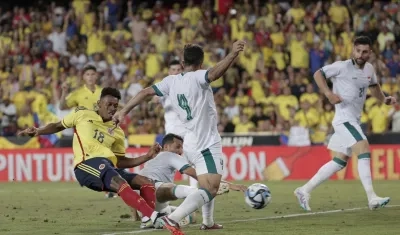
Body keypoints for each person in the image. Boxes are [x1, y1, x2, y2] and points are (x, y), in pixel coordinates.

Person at [113, 41, 246, 234]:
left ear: (182, 64)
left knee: (205, 184)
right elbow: (215, 73)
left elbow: (144, 92)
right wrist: (233, 54)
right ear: (201, 63)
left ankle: (208, 222)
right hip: (206, 142)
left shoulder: (170, 81)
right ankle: (173, 219)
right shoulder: (199, 76)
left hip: (190, 141)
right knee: (210, 189)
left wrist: (123, 111)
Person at [18, 87, 172, 231]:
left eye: (116, 105)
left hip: (109, 168)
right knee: (119, 181)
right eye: (109, 104)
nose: (112, 108)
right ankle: (154, 216)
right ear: (99, 103)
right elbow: (58, 126)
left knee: (146, 182)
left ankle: (147, 218)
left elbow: (120, 161)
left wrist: (147, 156)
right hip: (86, 165)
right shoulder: (82, 115)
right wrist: (38, 131)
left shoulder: (117, 130)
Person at [294, 36, 397, 211]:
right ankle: (372, 198)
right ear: (353, 50)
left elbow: (373, 87)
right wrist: (328, 94)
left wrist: (384, 99)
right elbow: (318, 74)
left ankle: (304, 190)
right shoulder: (341, 66)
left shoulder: (370, 69)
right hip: (344, 119)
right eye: (358, 50)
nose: (360, 54)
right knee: (363, 147)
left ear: (369, 53)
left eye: (365, 52)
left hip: (354, 119)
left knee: (340, 162)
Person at [138, 133, 247, 229]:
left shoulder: (152, 159)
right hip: (155, 190)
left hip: (145, 203)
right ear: (166, 146)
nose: (180, 151)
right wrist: (231, 185)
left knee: (191, 216)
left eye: (182, 147)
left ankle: (151, 218)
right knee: (205, 190)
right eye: (177, 147)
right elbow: (195, 174)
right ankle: (208, 222)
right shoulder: (169, 155)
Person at [58, 65, 115, 198]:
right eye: (87, 74)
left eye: (92, 74)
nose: (90, 77)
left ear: (97, 76)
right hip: (85, 133)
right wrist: (64, 92)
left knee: (107, 158)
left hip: (102, 131)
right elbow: (62, 106)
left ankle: (109, 186)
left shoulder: (103, 92)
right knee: (94, 159)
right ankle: (102, 184)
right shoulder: (78, 94)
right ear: (83, 77)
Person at [160, 60, 199, 188]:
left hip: (187, 131)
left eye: (178, 70)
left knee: (192, 161)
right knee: (168, 164)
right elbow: (152, 101)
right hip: (172, 133)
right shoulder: (164, 87)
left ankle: (194, 193)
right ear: (169, 72)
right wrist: (154, 101)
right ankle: (162, 195)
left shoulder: (188, 86)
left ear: (182, 71)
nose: (176, 72)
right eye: (174, 70)